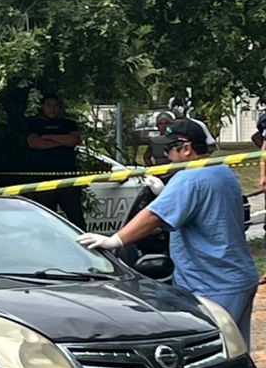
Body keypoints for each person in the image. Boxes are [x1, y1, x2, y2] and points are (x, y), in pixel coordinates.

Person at [79, 118, 258, 338]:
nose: (165, 155)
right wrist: (165, 194)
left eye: (168, 149)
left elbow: (153, 216)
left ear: (186, 149)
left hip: (212, 284)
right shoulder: (221, 171)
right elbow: (203, 210)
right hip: (237, 278)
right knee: (235, 350)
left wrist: (115, 240)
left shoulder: (188, 178)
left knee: (211, 352)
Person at [26, 94, 85, 228]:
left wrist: (49, 137)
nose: (52, 109)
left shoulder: (68, 124)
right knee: (45, 221)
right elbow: (35, 143)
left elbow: (73, 141)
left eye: (55, 106)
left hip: (68, 179)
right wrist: (62, 141)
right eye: (48, 105)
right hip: (43, 180)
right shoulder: (34, 124)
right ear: (42, 107)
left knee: (76, 219)